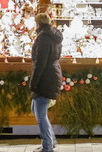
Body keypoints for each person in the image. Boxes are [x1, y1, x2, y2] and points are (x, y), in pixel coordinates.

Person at [30, 12, 63, 152]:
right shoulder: (53, 35)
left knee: (40, 113)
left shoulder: (43, 38)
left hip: (46, 77)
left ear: (38, 23)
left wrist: (34, 83)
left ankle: (47, 146)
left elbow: (40, 63)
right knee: (37, 110)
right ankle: (50, 141)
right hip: (52, 74)